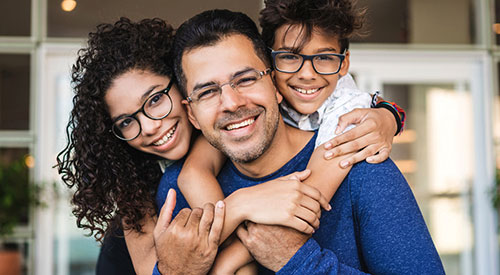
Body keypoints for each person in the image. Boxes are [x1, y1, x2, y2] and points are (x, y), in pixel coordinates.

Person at [153, 8, 445, 274]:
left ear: (275, 84)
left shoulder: (361, 164)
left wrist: (299, 261)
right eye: (207, 92)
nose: (231, 103)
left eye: (246, 79)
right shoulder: (176, 191)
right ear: (191, 114)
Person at [56, 17, 332, 275]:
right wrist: (239, 206)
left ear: (182, 85)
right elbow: (166, 268)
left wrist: (378, 111)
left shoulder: (230, 132)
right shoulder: (137, 197)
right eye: (127, 121)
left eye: (154, 100)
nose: (150, 126)